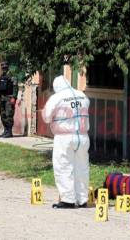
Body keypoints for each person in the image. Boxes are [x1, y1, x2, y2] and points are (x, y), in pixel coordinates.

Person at [42, 75, 90, 209]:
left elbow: (46, 117)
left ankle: (68, 200)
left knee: (63, 166)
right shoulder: (82, 95)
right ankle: (82, 199)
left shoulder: (56, 98)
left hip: (64, 137)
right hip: (83, 136)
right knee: (82, 167)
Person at [0, 61, 19, 138]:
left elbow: (15, 87)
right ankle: (5, 131)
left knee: (9, 115)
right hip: (1, 98)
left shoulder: (12, 76)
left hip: (9, 98)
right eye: (2, 67)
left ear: (7, 67)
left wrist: (14, 97)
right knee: (3, 115)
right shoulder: (1, 76)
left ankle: (9, 132)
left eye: (5, 67)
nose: (3, 68)